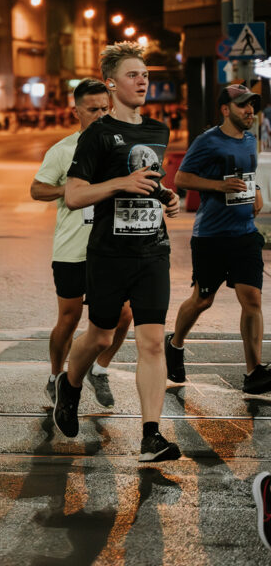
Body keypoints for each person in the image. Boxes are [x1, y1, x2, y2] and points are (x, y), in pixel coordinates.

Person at [56, 41, 182, 462]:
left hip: (152, 252)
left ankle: (150, 436)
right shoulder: (97, 135)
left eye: (145, 74)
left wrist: (168, 197)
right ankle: (69, 385)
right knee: (101, 334)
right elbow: (73, 195)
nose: (142, 80)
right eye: (133, 74)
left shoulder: (157, 131)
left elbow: (151, 181)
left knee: (150, 343)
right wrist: (120, 184)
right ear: (111, 84)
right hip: (109, 254)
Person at [30, 78, 132, 409]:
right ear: (77, 111)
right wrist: (71, 189)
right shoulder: (62, 151)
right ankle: (55, 375)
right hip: (73, 250)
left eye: (106, 108)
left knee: (124, 315)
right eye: (93, 110)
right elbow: (37, 189)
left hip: (114, 249)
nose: (101, 115)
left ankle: (99, 370)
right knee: (70, 318)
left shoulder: (121, 148)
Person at [166, 84, 271, 393]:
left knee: (251, 299)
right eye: (242, 106)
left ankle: (253, 372)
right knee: (203, 299)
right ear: (225, 110)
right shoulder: (207, 141)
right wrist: (217, 186)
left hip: (245, 234)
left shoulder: (250, 139)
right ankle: (175, 343)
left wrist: (258, 194)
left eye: (252, 105)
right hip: (211, 235)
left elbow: (248, 174)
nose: (249, 111)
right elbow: (182, 178)